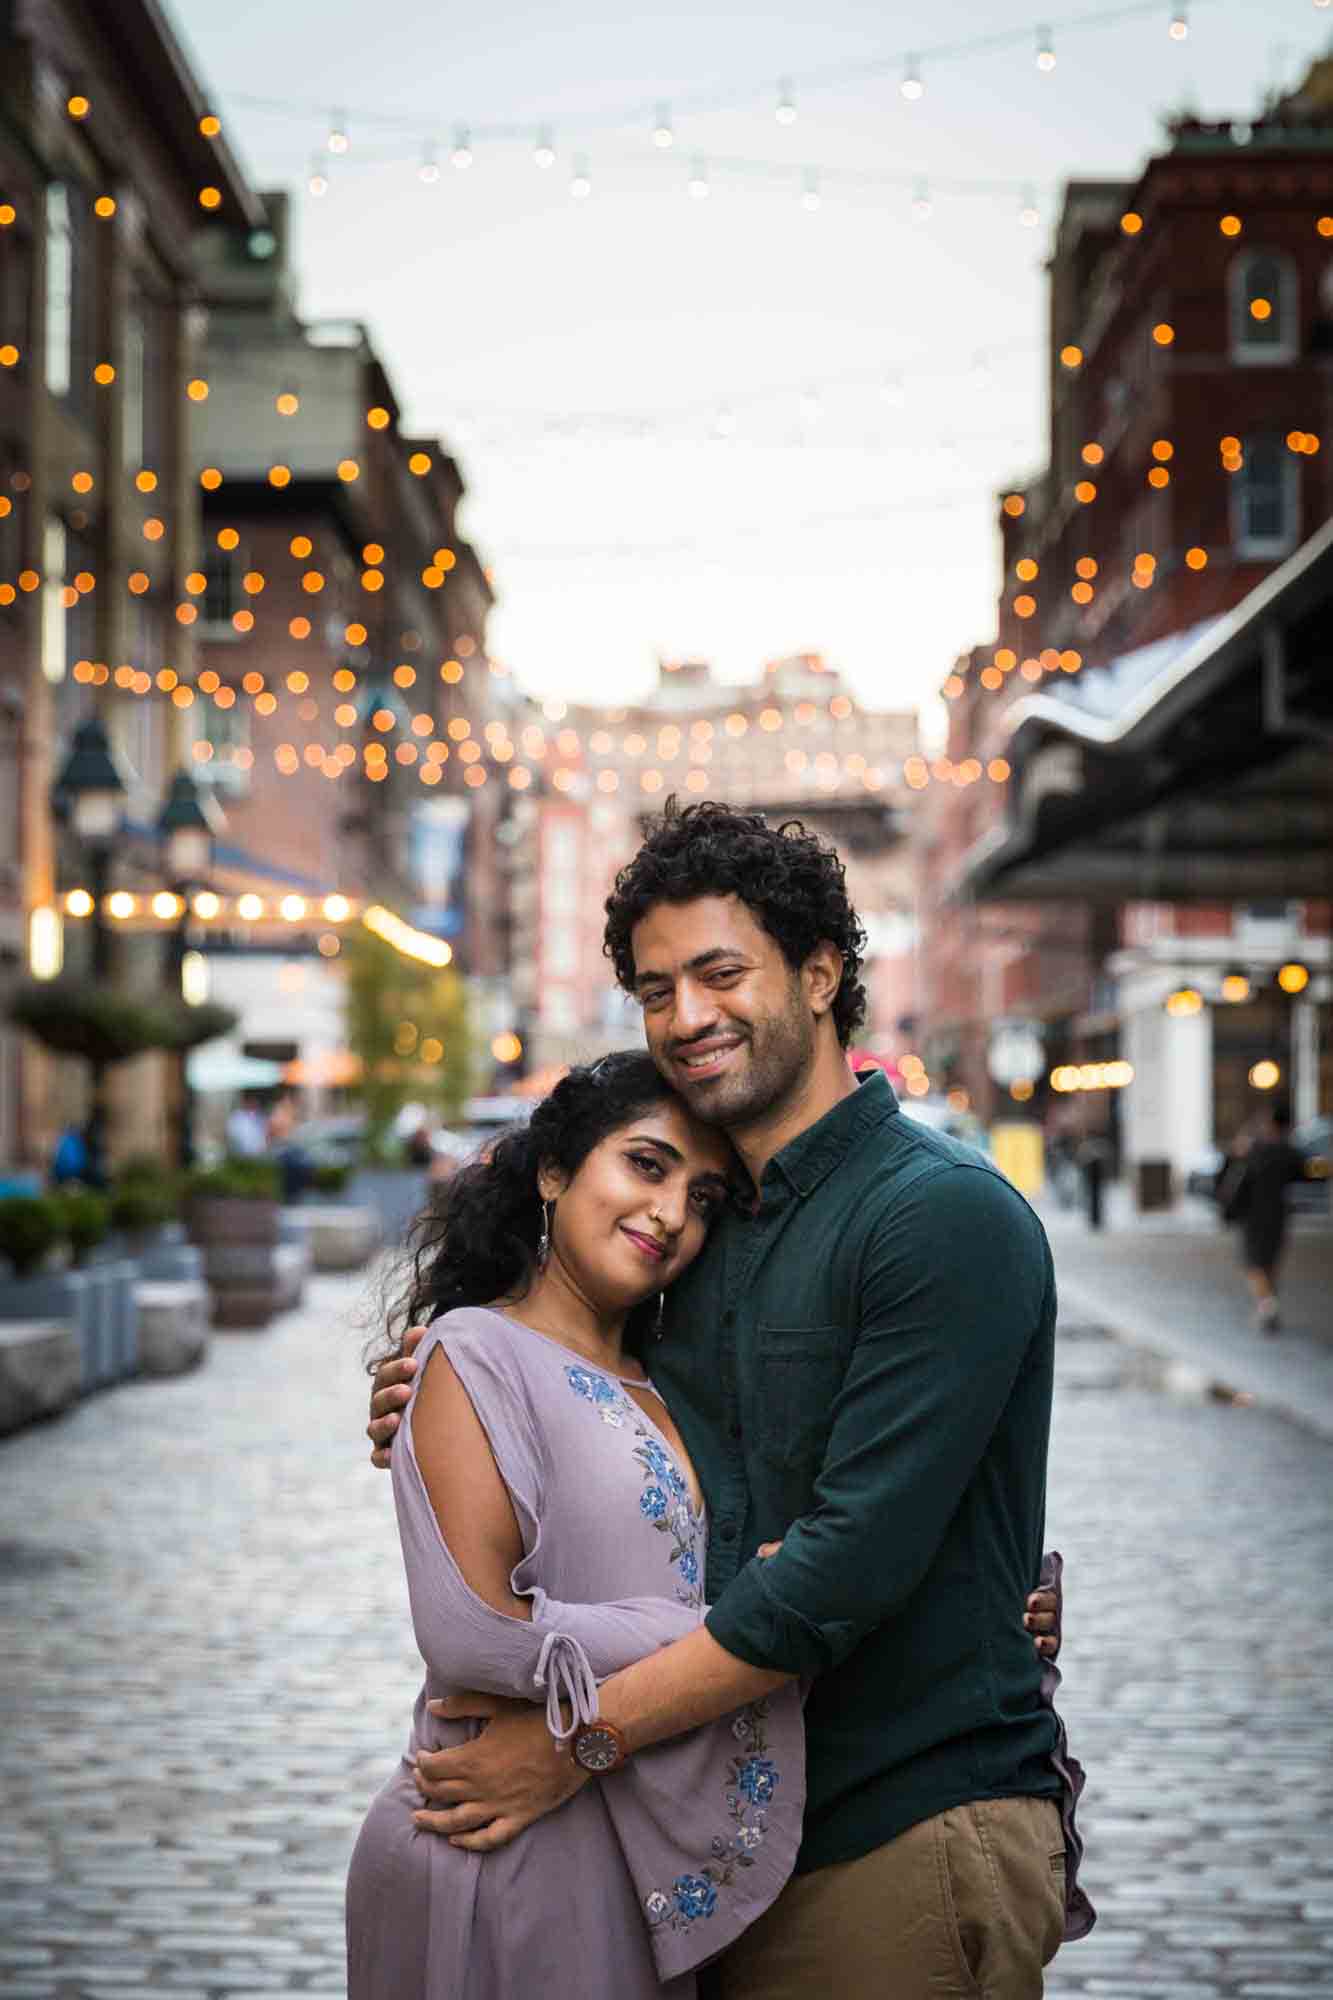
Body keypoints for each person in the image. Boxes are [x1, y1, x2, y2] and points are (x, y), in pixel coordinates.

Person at [369, 800, 1091, 1997]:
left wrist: (574, 1737)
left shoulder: (938, 1213)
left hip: (898, 1821)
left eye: (718, 972)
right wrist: (442, 1382)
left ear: (819, 973)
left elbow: (844, 1565)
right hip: (708, 1840)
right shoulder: (705, 1240)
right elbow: (602, 1435)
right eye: (656, 989)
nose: (685, 1016)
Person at [347, 1052, 808, 1998]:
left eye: (705, 1196)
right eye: (646, 1165)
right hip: (488, 1849)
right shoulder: (473, 1350)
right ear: (554, 1171)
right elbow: (474, 1634)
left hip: (628, 1847)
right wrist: (768, 1624)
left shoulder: (683, 1389)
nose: (672, 1212)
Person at [1223, 1101, 1306, 1333]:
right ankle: (1268, 1303)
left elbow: (1233, 1171)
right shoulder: (1289, 1151)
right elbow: (1303, 1173)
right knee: (1269, 1261)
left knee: (1254, 1263)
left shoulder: (1254, 1149)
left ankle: (1267, 1305)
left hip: (1253, 1214)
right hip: (1278, 1213)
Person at [225, 1091, 269, 1160]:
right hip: (240, 1156)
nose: (253, 1103)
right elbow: (232, 1136)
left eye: (255, 1100)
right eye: (251, 1100)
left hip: (258, 1155)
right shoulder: (236, 1117)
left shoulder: (261, 1116)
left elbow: (265, 1135)